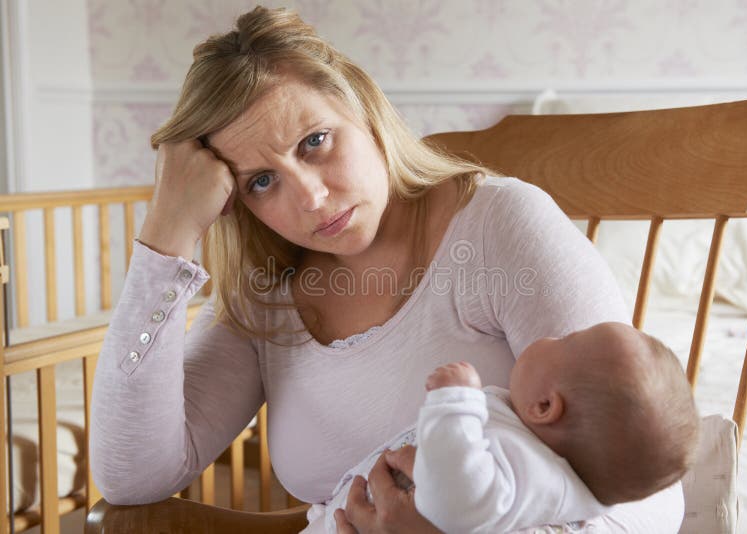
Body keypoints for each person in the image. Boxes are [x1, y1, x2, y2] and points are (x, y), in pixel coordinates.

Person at [89, 6, 687, 533]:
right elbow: (132, 475)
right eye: (261, 182)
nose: (312, 199)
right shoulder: (264, 290)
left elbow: (651, 504)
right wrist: (165, 239)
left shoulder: (500, 226)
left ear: (364, 106)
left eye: (315, 141)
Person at [318, 323, 699, 533]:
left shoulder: (528, 469)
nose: (550, 334)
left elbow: (452, 501)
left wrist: (455, 402)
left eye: (566, 341)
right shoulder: (539, 459)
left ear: (545, 406)